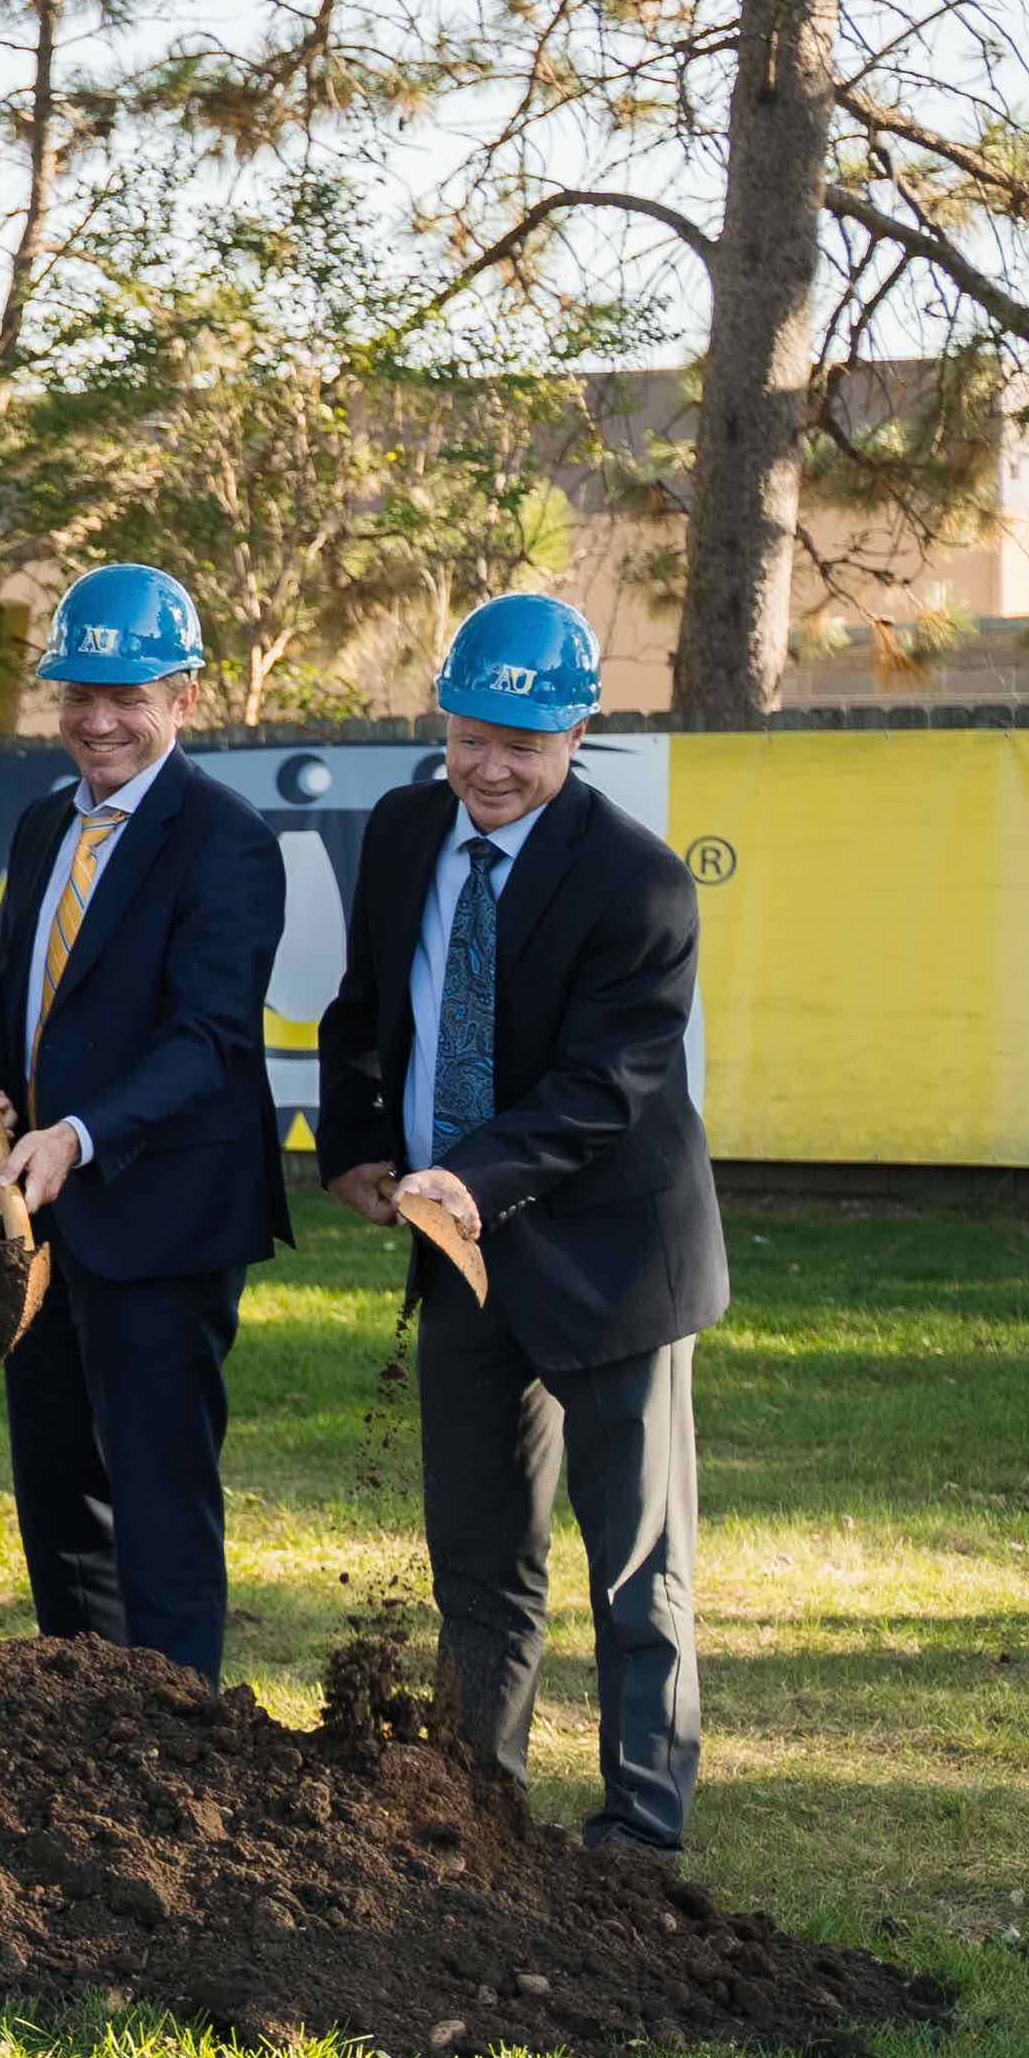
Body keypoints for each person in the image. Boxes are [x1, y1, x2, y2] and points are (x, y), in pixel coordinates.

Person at [314, 592, 728, 1852]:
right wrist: (356, 1147)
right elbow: (361, 1009)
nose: (490, 768)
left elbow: (606, 1087)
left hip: (611, 1260)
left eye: (525, 744)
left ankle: (640, 1831)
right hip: (462, 1260)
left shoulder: (638, 884)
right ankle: (473, 1805)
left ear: (579, 732)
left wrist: (466, 1181)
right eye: (471, 734)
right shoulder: (398, 832)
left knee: (633, 1567)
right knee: (479, 1557)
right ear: (443, 715)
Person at [0, 566, 291, 1677]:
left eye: (127, 696)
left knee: (157, 1498)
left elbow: (209, 1040)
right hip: (42, 1224)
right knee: (56, 1492)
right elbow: (12, 986)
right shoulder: (47, 823)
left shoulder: (225, 842)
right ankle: (81, 1719)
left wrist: (79, 1133)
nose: (97, 721)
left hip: (165, 1217)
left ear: (184, 699)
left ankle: (180, 1737)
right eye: (77, 695)